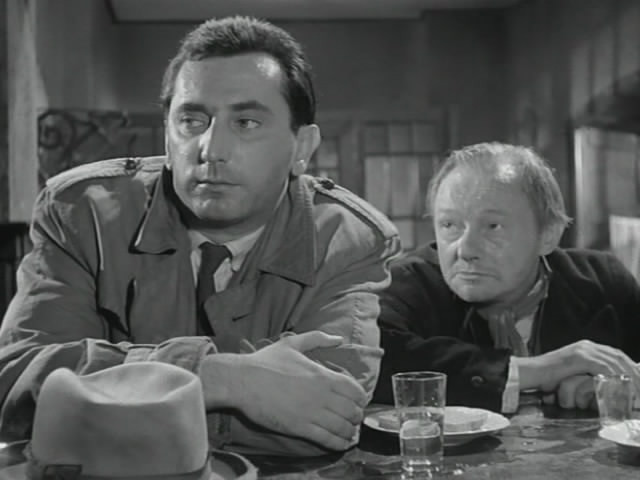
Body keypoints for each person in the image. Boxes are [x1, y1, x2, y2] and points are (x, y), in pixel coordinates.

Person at [0, 16, 400, 456]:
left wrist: (113, 391)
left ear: (301, 148)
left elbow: (328, 418)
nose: (211, 150)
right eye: (191, 120)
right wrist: (223, 378)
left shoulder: (348, 239)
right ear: (167, 140)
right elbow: (16, 387)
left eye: (246, 122)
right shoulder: (83, 213)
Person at [373, 142, 640, 414]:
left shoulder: (603, 282)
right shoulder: (406, 283)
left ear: (548, 234)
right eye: (449, 225)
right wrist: (546, 369)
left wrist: (615, 389)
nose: (465, 250)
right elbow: (371, 359)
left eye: (492, 226)